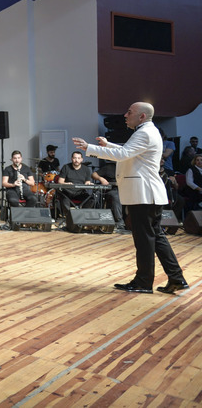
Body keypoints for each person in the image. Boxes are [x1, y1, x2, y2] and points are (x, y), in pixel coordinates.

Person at [73, 102, 187, 294]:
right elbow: (131, 151)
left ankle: (143, 282)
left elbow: (124, 154)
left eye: (130, 112)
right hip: (148, 193)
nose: (125, 115)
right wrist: (108, 144)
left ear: (142, 116)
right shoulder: (148, 131)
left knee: (144, 240)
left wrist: (89, 147)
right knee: (156, 237)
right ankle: (176, 278)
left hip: (143, 194)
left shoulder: (144, 132)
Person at [96, 160, 124, 229]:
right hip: (112, 189)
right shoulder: (109, 167)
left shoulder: (125, 168)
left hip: (125, 189)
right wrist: (101, 179)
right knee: (115, 196)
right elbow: (94, 174)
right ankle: (119, 222)